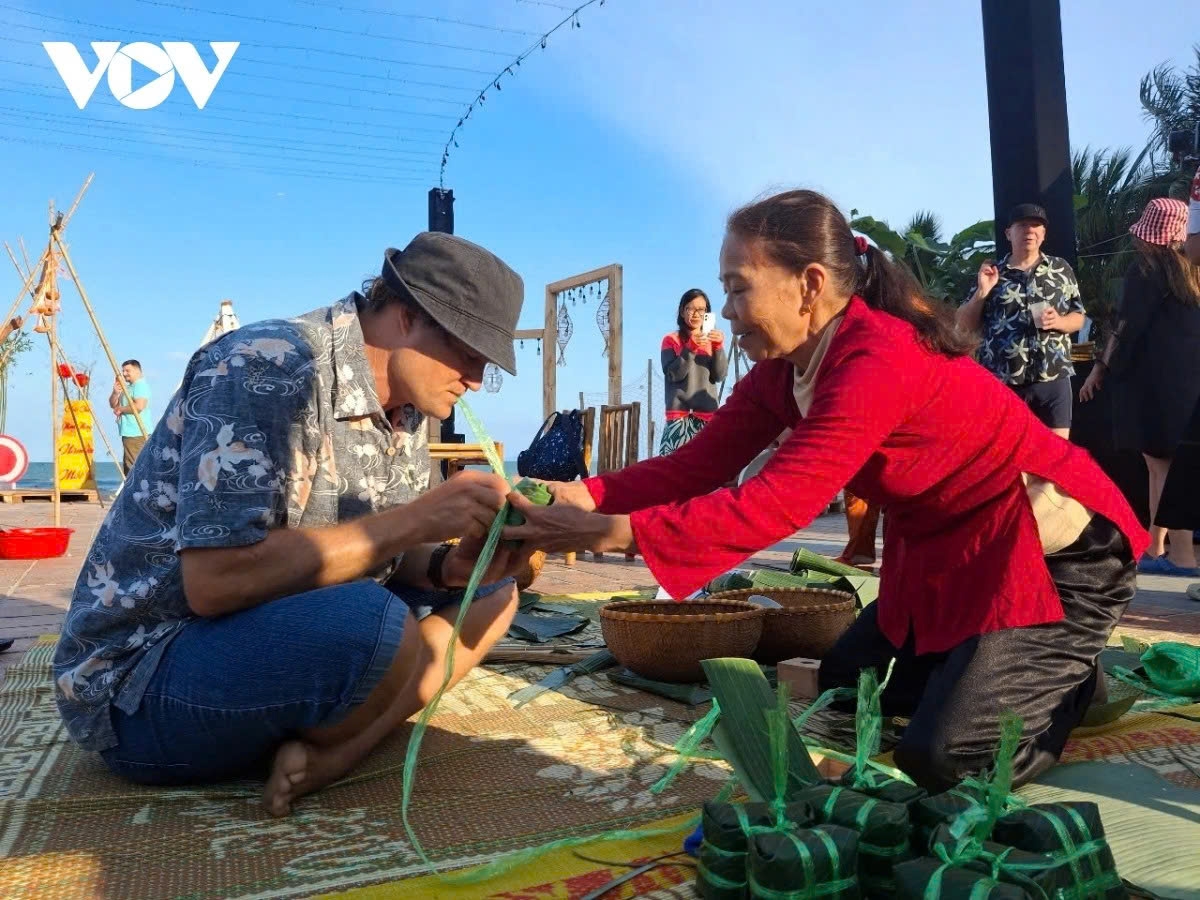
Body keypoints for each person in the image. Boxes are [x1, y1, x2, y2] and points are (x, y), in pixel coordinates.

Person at [507, 189, 1148, 792]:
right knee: (851, 682)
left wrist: (609, 534)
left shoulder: (877, 357)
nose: (726, 311)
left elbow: (778, 501)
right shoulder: (783, 370)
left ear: (810, 285)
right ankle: (1038, 666)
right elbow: (696, 465)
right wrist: (582, 496)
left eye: (738, 288)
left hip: (1054, 554)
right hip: (953, 553)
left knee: (947, 758)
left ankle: (1067, 675)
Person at [53, 233, 535, 816]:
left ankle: (344, 746)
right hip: (143, 677)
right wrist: (417, 519)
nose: (477, 379)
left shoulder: (405, 408)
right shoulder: (264, 367)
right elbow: (215, 584)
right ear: (408, 316)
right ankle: (351, 727)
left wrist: (447, 565)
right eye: (470, 352)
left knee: (494, 591)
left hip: (277, 623)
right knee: (375, 625)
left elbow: (387, 549)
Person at [1079, 198, 1200, 577]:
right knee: (1164, 466)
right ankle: (1155, 546)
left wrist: (1100, 367)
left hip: (1155, 383)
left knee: (1162, 468)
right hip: (1189, 382)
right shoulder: (1193, 273)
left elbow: (1125, 326)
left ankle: (1182, 556)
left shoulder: (1145, 271)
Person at [956, 204, 1086, 438]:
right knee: (1005, 452)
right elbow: (964, 325)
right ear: (1008, 233)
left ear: (1044, 234)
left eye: (1036, 225)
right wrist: (982, 293)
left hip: (1053, 377)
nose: (1030, 230)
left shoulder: (1061, 269)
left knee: (1055, 455)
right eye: (1023, 225)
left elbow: (1078, 317)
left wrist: (1059, 321)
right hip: (1003, 381)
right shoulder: (992, 273)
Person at [659, 289, 728, 454]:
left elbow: (720, 375)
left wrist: (718, 347)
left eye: (701, 309)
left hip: (707, 417)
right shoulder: (671, 339)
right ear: (682, 312)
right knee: (672, 464)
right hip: (679, 416)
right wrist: (690, 348)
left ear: (707, 313)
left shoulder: (712, 341)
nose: (696, 314)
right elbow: (673, 375)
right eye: (690, 308)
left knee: (707, 464)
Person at [109, 359, 152, 474]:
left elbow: (139, 406)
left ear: (137, 371)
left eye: (128, 371)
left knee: (133, 466)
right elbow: (113, 404)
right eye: (123, 371)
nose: (124, 373)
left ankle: (134, 485)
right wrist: (115, 393)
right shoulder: (128, 387)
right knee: (129, 465)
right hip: (129, 432)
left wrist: (120, 409)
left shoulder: (140, 385)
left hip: (137, 432)